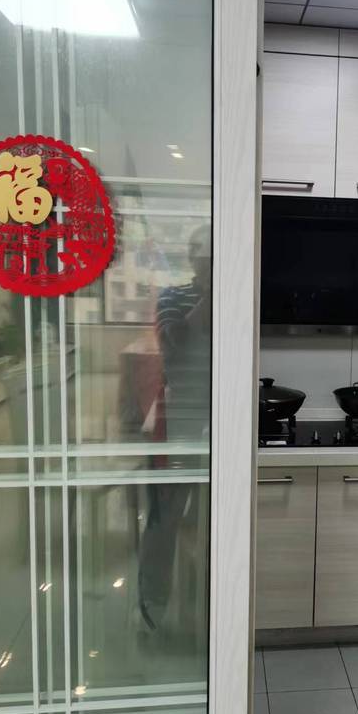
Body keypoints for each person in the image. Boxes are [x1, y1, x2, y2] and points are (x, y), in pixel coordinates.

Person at [137, 224, 212, 633]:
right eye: (204, 258)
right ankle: (153, 608)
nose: (209, 264)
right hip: (180, 414)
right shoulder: (173, 296)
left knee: (212, 517)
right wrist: (209, 298)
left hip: (223, 417)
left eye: (214, 258)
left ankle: (206, 608)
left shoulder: (238, 294)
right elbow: (174, 346)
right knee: (165, 514)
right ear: (192, 259)